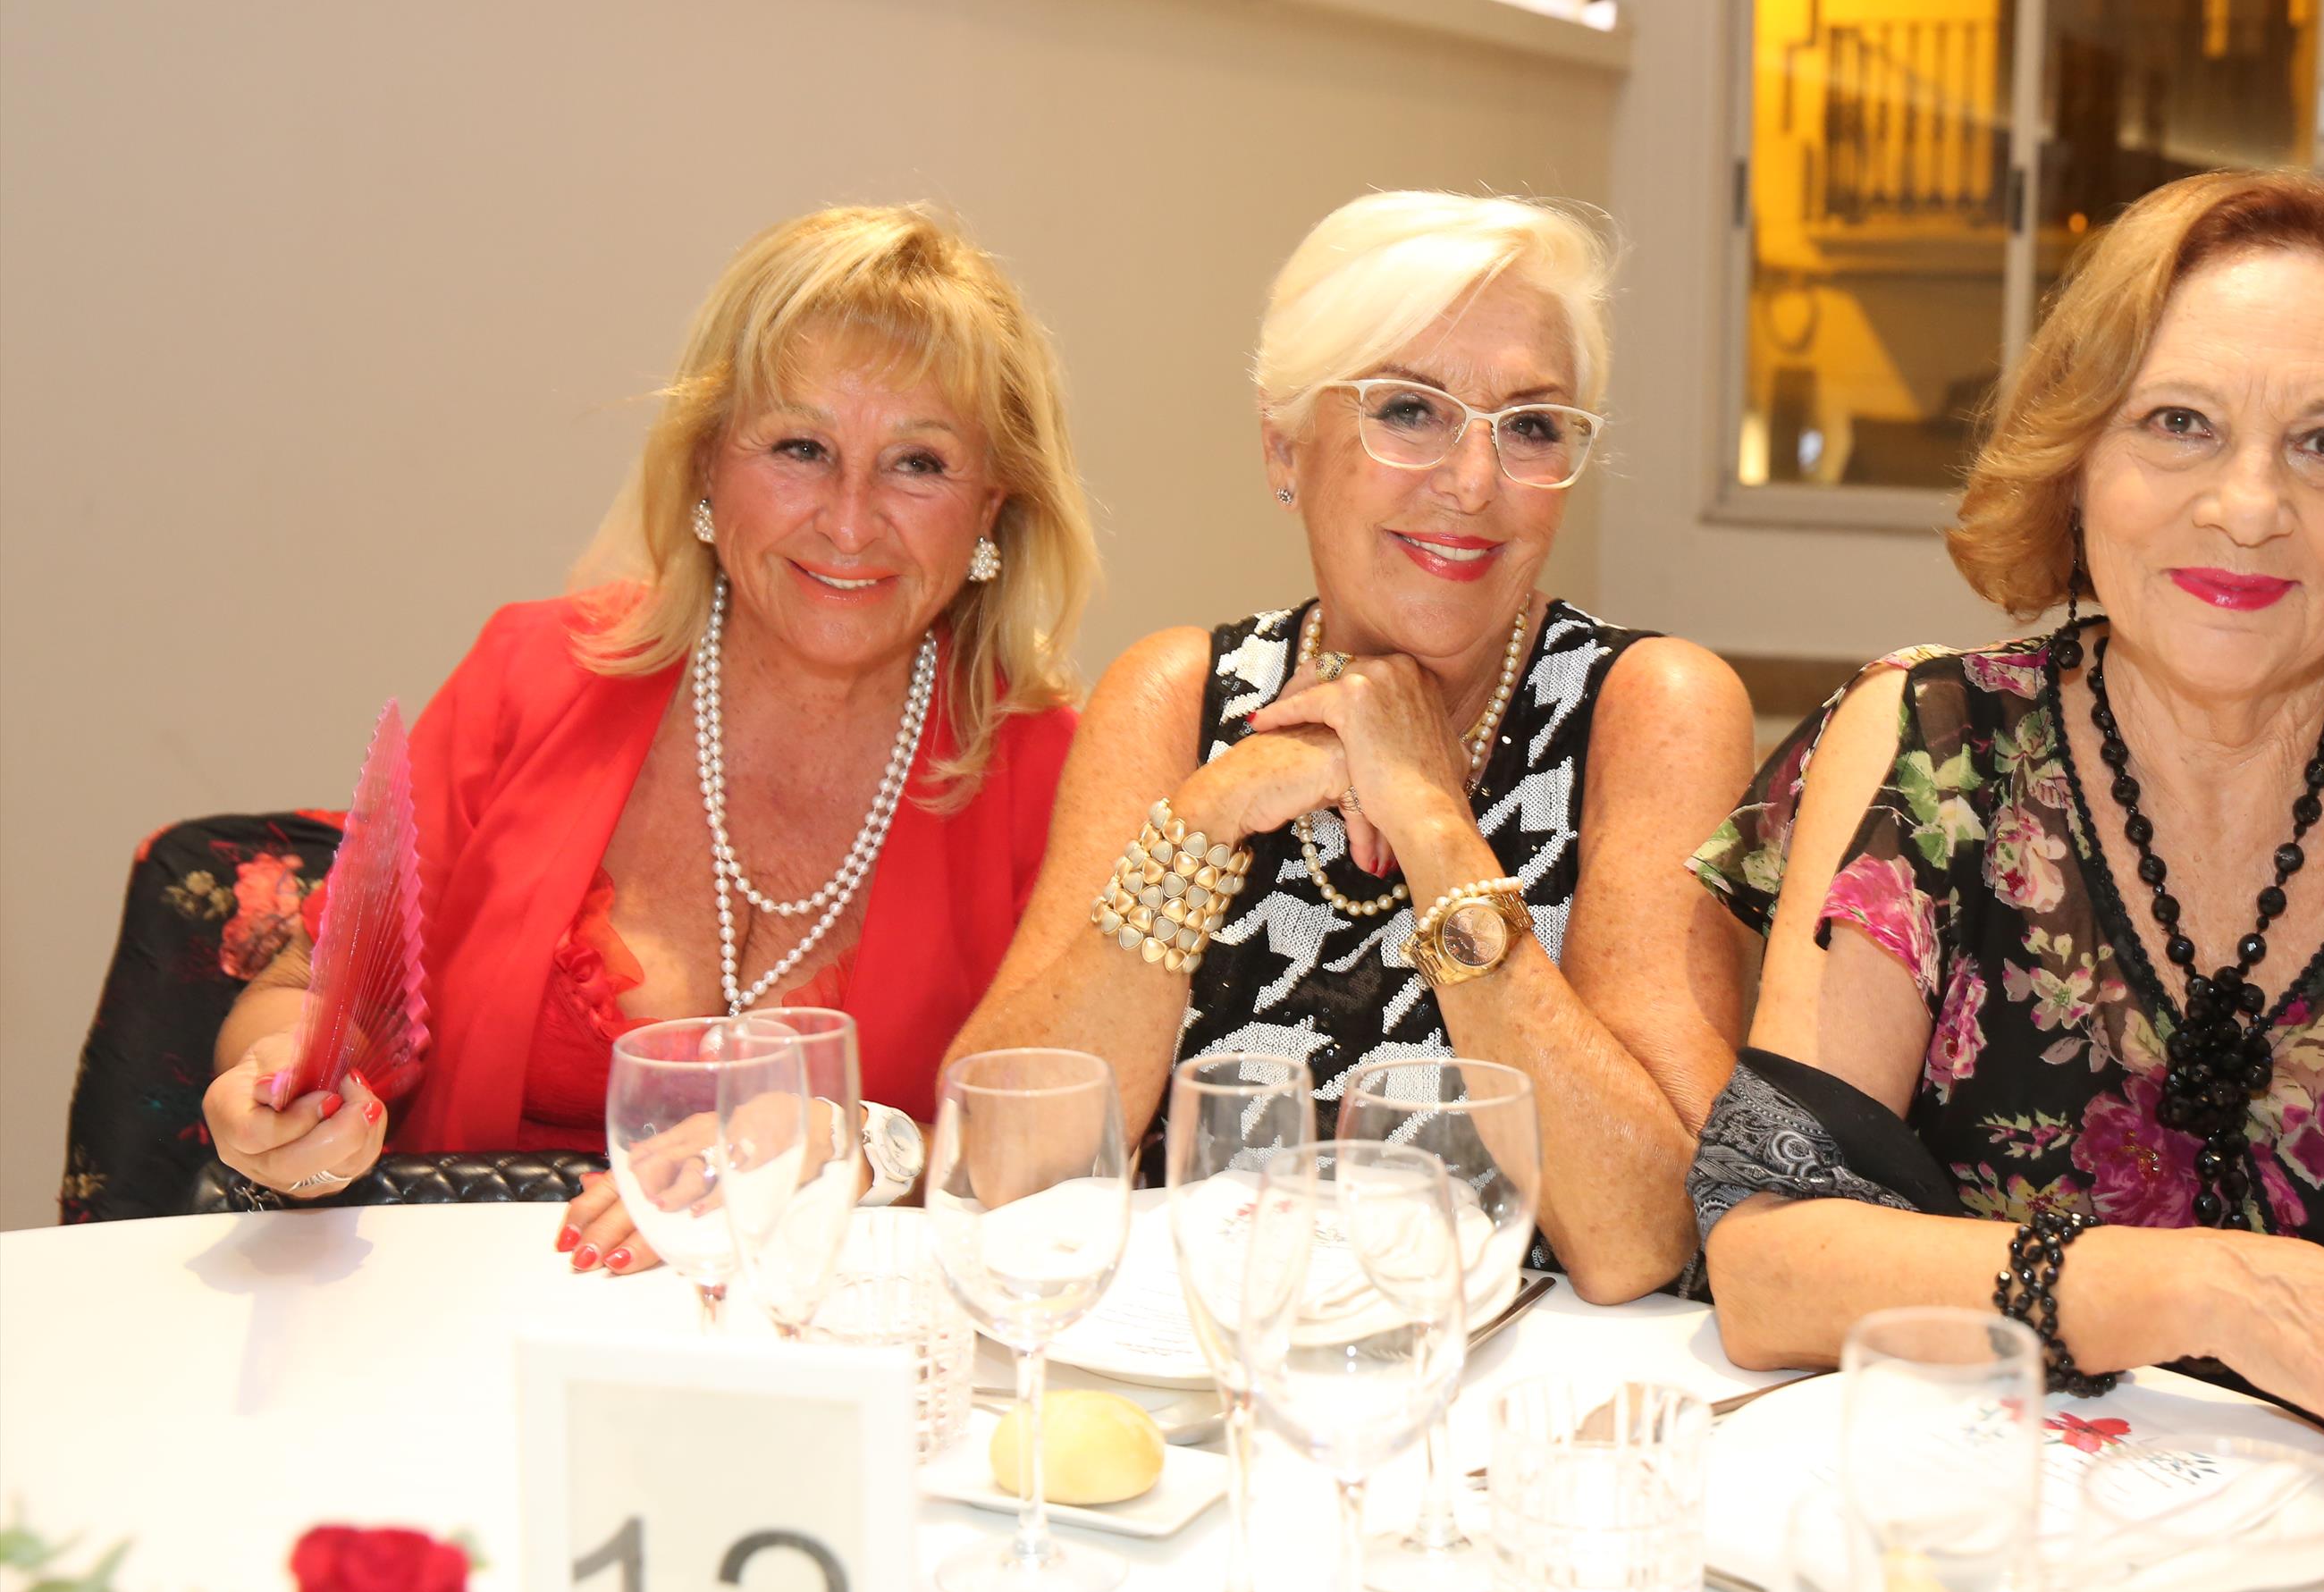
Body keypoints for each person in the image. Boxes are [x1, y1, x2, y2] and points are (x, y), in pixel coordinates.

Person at [1689, 170, 2324, 1569]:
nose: (2248, 507)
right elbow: (1769, 1265)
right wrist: (2218, 1291)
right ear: (2080, 452)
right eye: (2179, 423)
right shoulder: (1933, 752)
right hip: (2009, 1558)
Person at [200, 206, 1099, 1276]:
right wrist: (284, 1092)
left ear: (991, 505)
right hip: (479, 1308)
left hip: (839, 1333)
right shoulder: (529, 676)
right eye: (802, 448)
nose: (851, 521)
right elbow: (310, 997)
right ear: (708, 461)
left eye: (917, 463)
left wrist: (858, 1141)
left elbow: (1075, 1135)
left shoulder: (1060, 776)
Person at [952, 190, 1752, 1302]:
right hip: (1205, 1365)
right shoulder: (1178, 700)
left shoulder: (1649, 708)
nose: (1474, 481)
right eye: (1410, 411)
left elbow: (1643, 1235)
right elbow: (996, 1160)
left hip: (1508, 1390)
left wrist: (1431, 819)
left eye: (1529, 426)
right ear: (1284, 445)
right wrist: (1207, 817)